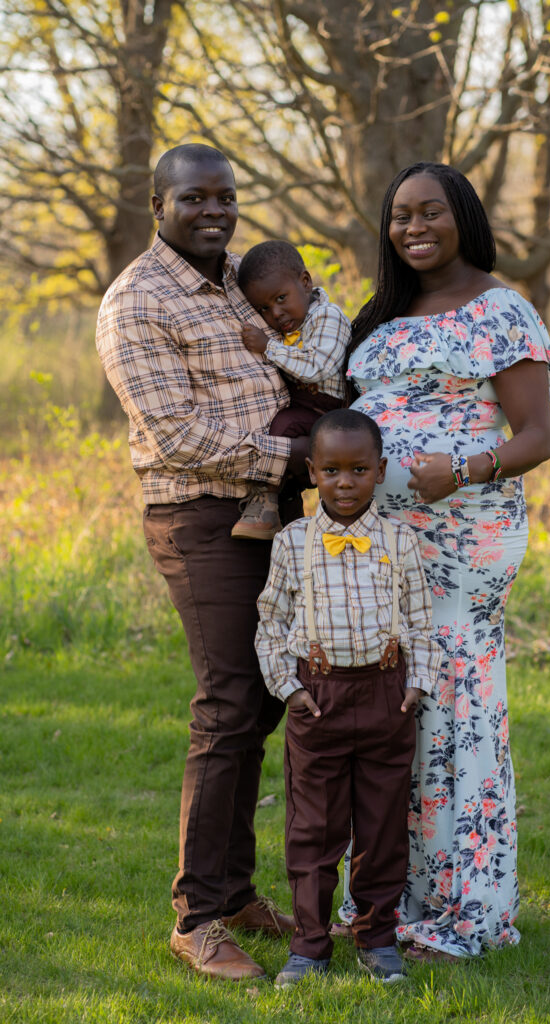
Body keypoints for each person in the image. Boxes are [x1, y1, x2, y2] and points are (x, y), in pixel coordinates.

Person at [338, 162, 550, 961]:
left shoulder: (499, 310)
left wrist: (462, 470)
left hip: (464, 539)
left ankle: (462, 912)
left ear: (462, 215)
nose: (413, 228)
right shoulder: (381, 315)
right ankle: (381, 902)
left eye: (429, 211)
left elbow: (535, 436)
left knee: (453, 715)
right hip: (382, 550)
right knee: (386, 715)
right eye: (398, 216)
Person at [96, 143, 308, 981]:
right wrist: (299, 457)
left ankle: (235, 891)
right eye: (194, 199)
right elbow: (178, 435)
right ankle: (195, 917)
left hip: (275, 510)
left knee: (260, 702)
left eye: (225, 196)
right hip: (199, 516)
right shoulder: (136, 301)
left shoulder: (236, 281)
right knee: (227, 701)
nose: (214, 211)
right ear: (159, 204)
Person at [254, 409, 442, 987]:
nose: (344, 482)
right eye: (331, 470)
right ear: (312, 472)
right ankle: (310, 945)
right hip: (320, 699)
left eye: (359, 469)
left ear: (379, 471)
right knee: (314, 828)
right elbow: (270, 621)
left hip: (387, 698)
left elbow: (421, 621)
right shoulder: (293, 543)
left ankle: (377, 937)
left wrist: (417, 685)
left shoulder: (401, 541)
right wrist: (289, 690)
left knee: (383, 827)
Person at [232, 240, 349, 540]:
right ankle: (281, 505)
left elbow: (317, 366)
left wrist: (268, 346)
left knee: (285, 428)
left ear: (306, 282)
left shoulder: (328, 317)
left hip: (327, 407)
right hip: (303, 404)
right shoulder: (289, 326)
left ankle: (266, 501)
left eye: (281, 298)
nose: (277, 313)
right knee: (279, 427)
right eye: (265, 308)